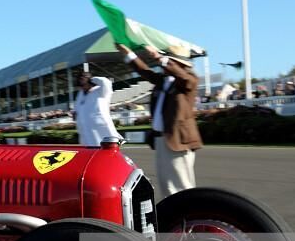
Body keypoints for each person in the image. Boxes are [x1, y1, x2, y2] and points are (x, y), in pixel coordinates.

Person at [118, 44, 202, 198]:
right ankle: (174, 218)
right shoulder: (165, 81)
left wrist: (159, 58)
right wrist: (129, 54)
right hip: (162, 139)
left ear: (178, 64)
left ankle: (189, 217)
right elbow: (144, 71)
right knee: (167, 184)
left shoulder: (190, 79)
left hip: (177, 140)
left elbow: (184, 79)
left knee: (181, 185)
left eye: (169, 61)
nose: (163, 64)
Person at [72, 71, 122, 146]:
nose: (82, 79)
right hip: (86, 132)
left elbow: (106, 82)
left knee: (107, 152)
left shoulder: (100, 91)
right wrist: (75, 113)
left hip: (101, 130)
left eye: (84, 77)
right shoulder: (80, 94)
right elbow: (77, 108)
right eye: (80, 78)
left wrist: (92, 79)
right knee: (89, 153)